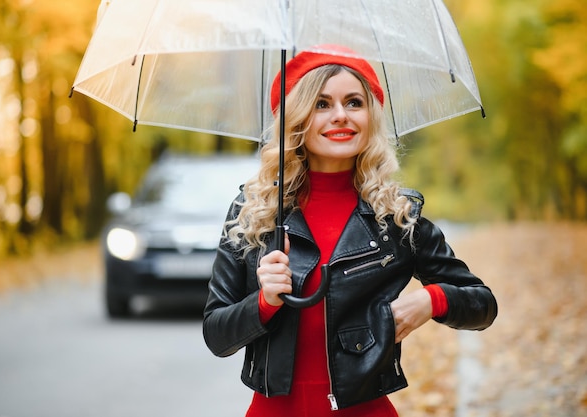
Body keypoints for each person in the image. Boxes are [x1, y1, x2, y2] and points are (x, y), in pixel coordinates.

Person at [202, 44, 497, 416]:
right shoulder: (254, 214)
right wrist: (264, 302)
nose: (340, 116)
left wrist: (431, 300)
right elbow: (216, 334)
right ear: (296, 118)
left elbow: (482, 304)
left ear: (369, 116)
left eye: (354, 102)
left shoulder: (396, 216)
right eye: (322, 104)